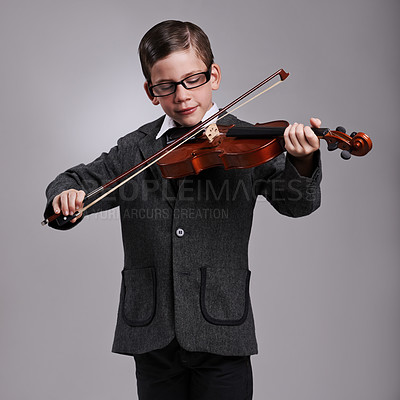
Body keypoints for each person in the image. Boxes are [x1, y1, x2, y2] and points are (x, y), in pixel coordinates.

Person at [44, 20, 322, 400]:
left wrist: (302, 162)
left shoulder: (249, 140)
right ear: (150, 91)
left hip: (222, 325)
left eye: (193, 80)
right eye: (166, 86)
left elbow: (298, 204)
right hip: (152, 330)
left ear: (214, 75)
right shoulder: (134, 149)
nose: (182, 95)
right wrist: (66, 196)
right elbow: (73, 179)